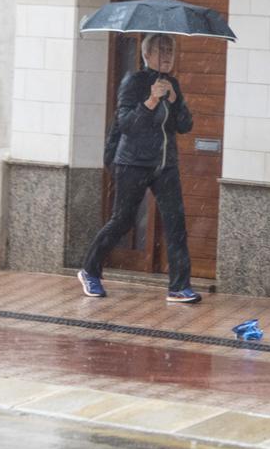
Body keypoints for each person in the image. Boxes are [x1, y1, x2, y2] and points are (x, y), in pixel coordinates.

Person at [77, 33, 200, 303]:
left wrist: (175, 99)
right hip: (132, 162)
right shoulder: (133, 82)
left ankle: (179, 287)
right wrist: (152, 101)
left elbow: (184, 125)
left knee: (176, 223)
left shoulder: (172, 84)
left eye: (171, 50)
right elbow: (127, 125)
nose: (167, 55)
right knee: (122, 220)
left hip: (165, 164)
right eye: (161, 50)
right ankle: (89, 270)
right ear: (146, 55)